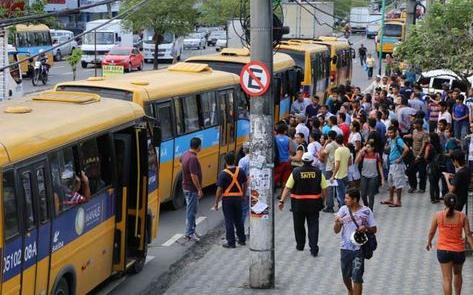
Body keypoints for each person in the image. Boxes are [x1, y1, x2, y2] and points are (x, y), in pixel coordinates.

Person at [279, 152, 328, 257]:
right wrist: (323, 200)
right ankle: (314, 248)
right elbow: (324, 188)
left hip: (298, 204)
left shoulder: (296, 172)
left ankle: (300, 245)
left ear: (302, 161)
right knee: (313, 226)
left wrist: (282, 201)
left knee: (298, 225)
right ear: (312, 161)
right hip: (314, 204)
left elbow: (287, 187)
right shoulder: (318, 172)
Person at [426, 194, 473, 295]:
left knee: (447, 279)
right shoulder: (462, 216)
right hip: (459, 251)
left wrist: (429, 242)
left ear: (444, 202)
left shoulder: (438, 215)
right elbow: (468, 234)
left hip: (444, 251)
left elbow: (431, 231)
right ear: (455, 203)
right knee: (458, 274)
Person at [334, 189, 377, 295]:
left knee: (357, 277)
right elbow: (336, 231)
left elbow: (374, 229)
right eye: (345, 198)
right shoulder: (343, 210)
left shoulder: (366, 211)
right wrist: (337, 222)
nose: (345, 200)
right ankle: (350, 290)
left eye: (347, 198)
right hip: (345, 248)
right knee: (345, 276)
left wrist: (365, 228)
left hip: (359, 249)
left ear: (355, 199)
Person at [214, 152, 247, 248]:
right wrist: (243, 195)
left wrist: (216, 202)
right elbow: (245, 184)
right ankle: (242, 239)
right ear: (234, 160)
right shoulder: (240, 171)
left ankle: (231, 242)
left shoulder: (223, 174)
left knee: (229, 220)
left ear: (225, 162)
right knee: (239, 220)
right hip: (238, 198)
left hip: (228, 200)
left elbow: (219, 189)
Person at [181, 137, 203, 241]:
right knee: (191, 212)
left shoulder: (185, 154)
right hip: (191, 189)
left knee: (192, 210)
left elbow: (180, 162)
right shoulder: (193, 158)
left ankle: (192, 230)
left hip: (186, 187)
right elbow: (194, 175)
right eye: (200, 146)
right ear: (198, 146)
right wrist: (199, 189)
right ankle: (189, 233)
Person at [381, 126, 409, 208]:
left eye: (391, 133)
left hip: (397, 165)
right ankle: (390, 199)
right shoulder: (391, 140)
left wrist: (400, 158)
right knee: (391, 182)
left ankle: (398, 201)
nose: (389, 134)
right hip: (392, 164)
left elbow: (406, 149)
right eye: (388, 133)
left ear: (395, 132)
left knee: (398, 183)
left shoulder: (398, 140)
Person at [356, 141, 384, 211]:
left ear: (373, 148)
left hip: (373, 176)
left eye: (368, 147)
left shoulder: (376, 155)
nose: (366, 148)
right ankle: (366, 205)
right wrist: (360, 152)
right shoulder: (363, 154)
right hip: (364, 175)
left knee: (371, 194)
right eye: (366, 146)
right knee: (363, 194)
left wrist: (382, 178)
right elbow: (356, 161)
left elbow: (380, 167)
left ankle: (370, 210)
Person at [404, 119, 429, 193]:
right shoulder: (414, 131)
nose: (414, 125)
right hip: (413, 155)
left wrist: (419, 155)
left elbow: (424, 145)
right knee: (410, 171)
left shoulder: (424, 134)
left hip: (421, 157)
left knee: (422, 173)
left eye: (415, 124)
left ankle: (422, 188)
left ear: (420, 124)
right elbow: (412, 137)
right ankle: (413, 186)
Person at [320, 131, 339, 213]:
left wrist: (324, 144)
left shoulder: (329, 145)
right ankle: (340, 204)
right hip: (337, 168)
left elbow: (322, 154)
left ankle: (330, 206)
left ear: (329, 137)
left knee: (329, 188)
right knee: (338, 187)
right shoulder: (338, 144)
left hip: (329, 167)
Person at [331, 135, 351, 209]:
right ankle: (346, 209)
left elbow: (337, 164)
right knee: (345, 194)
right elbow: (350, 162)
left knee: (340, 196)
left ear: (336, 141)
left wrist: (333, 176)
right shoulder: (347, 149)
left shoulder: (338, 151)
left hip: (339, 176)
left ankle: (343, 212)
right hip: (345, 174)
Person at [425, 133, 444, 203]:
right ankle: (437, 197)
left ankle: (433, 198)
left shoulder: (429, 146)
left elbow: (426, 157)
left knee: (432, 183)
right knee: (436, 182)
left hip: (431, 166)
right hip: (439, 166)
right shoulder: (440, 146)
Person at [274, 122, 294, 187]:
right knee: (285, 179)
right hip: (286, 161)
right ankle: (282, 193)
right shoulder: (288, 139)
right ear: (285, 131)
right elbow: (291, 150)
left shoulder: (274, 138)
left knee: (276, 176)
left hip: (277, 161)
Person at [238, 142, 250, 227]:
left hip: (246, 188)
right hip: (255, 188)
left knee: (244, 210)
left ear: (244, 150)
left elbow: (240, 176)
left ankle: (241, 230)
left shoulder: (243, 161)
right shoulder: (257, 159)